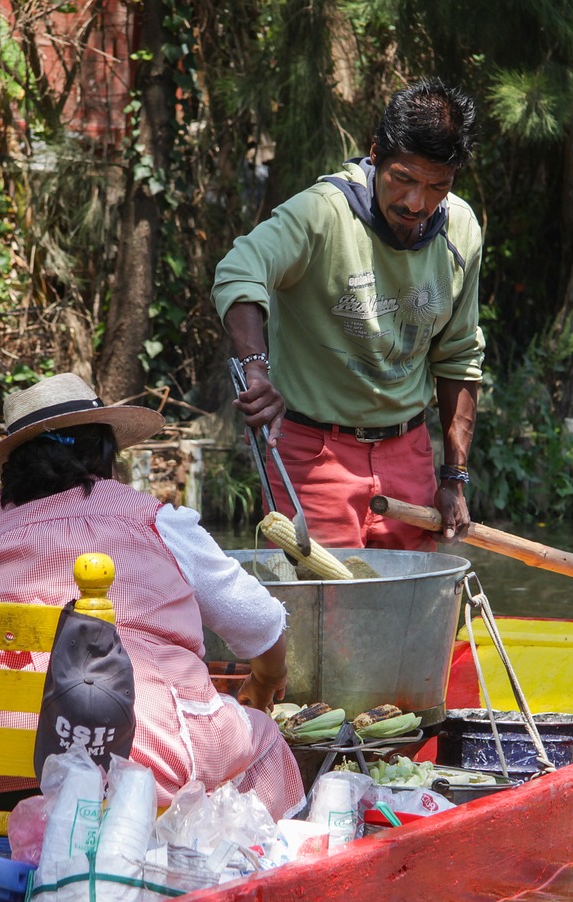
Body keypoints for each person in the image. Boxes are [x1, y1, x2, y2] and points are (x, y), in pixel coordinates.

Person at [0, 372, 304, 820]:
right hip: (120, 761)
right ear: (106, 451)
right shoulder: (152, 520)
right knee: (262, 739)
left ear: (14, 463)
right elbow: (260, 623)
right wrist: (265, 680)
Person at [213, 78, 485, 551]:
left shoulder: (460, 228)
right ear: (376, 153)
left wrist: (454, 477)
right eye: (403, 177)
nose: (416, 204)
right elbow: (239, 272)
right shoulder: (321, 214)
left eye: (436, 186)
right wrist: (257, 373)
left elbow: (459, 357)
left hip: (409, 454)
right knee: (319, 612)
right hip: (312, 457)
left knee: (407, 607)